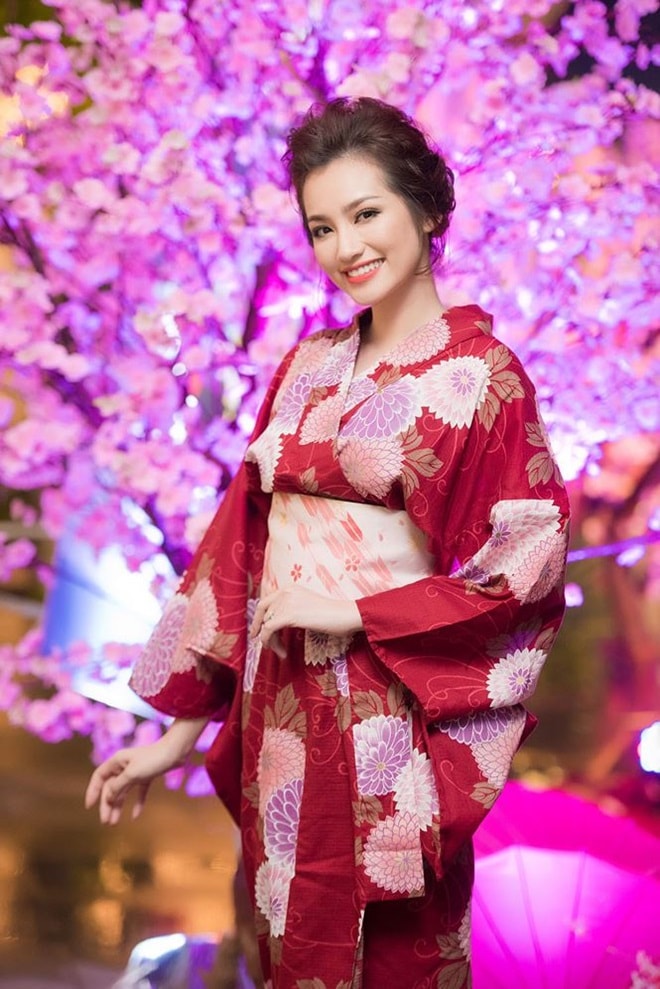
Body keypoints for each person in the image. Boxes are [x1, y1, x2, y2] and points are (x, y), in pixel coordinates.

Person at [86, 97, 570, 988]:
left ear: (426, 208)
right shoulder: (306, 365)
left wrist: (356, 609)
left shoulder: (484, 378)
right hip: (280, 712)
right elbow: (240, 554)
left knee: (390, 951)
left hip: (387, 712)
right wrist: (176, 738)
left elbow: (525, 568)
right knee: (289, 939)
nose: (346, 247)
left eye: (366, 213)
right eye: (322, 227)